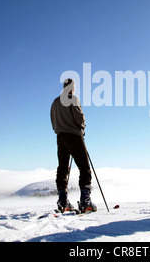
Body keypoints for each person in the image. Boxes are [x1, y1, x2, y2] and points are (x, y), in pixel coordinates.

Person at [50, 78, 97, 213]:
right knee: (84, 167)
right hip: (74, 136)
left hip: (60, 137)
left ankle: (63, 201)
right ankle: (85, 201)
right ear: (72, 88)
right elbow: (79, 118)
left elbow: (53, 120)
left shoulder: (55, 102)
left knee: (63, 168)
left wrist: (60, 129)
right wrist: (81, 128)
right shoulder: (73, 99)